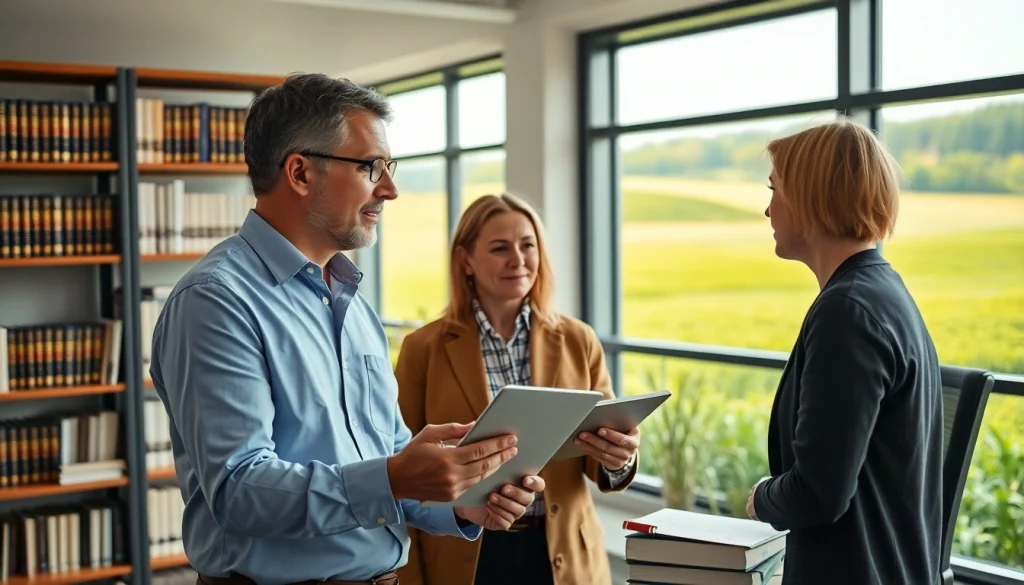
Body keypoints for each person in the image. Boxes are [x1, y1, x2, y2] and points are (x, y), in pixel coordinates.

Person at [148, 73, 545, 585]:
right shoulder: (215, 302)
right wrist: (395, 474)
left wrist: (461, 504)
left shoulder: (353, 303)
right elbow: (239, 492)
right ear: (299, 172)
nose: (391, 188)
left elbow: (383, 462)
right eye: (371, 167)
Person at [392, 193, 640, 585]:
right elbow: (404, 468)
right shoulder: (423, 349)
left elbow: (599, 454)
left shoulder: (578, 339)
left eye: (528, 245)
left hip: (562, 556)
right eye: (499, 248)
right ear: (466, 260)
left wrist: (617, 457)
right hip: (464, 557)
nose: (518, 260)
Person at [746, 119, 943, 584]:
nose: (768, 210)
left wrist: (761, 498)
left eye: (775, 190)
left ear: (810, 197)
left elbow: (817, 493)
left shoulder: (847, 312)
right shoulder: (881, 292)